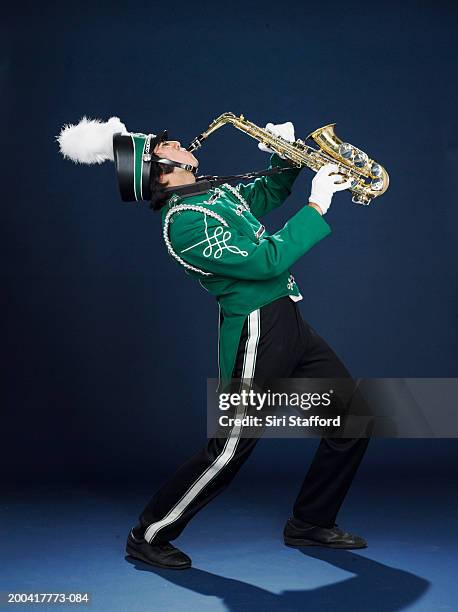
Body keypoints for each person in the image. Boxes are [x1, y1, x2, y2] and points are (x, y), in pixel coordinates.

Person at [58, 117, 370, 571]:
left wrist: (283, 156)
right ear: (160, 172)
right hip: (255, 329)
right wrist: (317, 205)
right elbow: (266, 261)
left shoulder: (210, 192)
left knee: (353, 419)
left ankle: (311, 521)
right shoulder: (183, 224)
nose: (182, 143)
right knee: (228, 448)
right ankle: (148, 535)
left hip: (287, 318)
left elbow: (264, 195)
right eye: (170, 145)